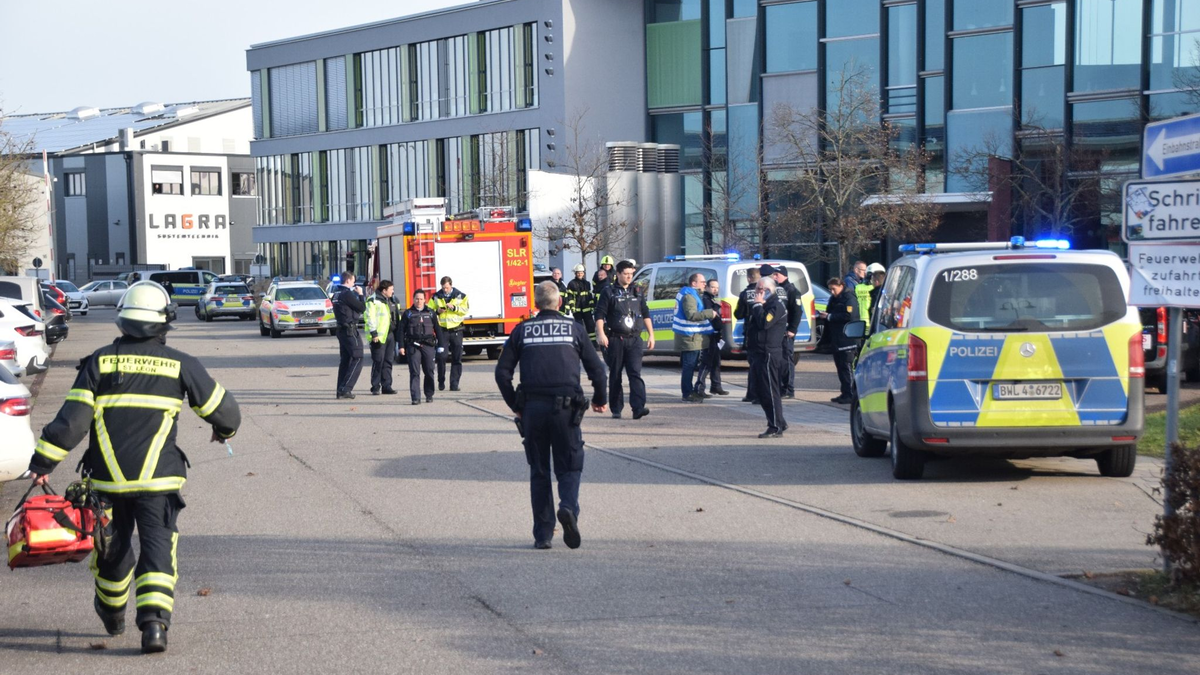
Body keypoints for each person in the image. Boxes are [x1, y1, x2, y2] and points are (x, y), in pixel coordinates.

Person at [26, 281, 240, 654]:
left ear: (123, 319)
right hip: (159, 482)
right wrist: (222, 432)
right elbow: (226, 413)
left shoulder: (99, 361)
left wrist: (43, 462)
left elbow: (72, 422)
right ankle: (155, 626)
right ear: (164, 322)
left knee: (112, 550)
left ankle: (111, 614)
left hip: (107, 483)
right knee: (158, 550)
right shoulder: (180, 364)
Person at [495, 281, 608, 550]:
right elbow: (598, 370)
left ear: (535, 304)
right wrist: (601, 400)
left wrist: (515, 404)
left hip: (533, 409)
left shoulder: (522, 331)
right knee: (569, 466)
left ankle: (543, 535)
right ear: (559, 303)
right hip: (567, 410)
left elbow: (502, 373)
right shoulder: (575, 329)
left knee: (539, 470)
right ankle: (567, 508)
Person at [594, 260, 654, 419]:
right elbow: (599, 314)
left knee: (635, 373)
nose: (629, 277)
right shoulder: (609, 292)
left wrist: (651, 334)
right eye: (626, 274)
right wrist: (601, 334)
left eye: (631, 274)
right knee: (616, 374)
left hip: (634, 339)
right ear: (618, 274)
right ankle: (616, 408)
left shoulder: (638, 291)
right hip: (615, 339)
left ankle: (638, 407)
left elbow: (646, 313)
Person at [748, 277, 789, 438]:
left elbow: (765, 323)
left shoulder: (775, 305)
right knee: (759, 390)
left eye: (760, 289)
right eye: (756, 289)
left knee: (769, 391)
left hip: (769, 353)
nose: (757, 293)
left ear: (769, 290)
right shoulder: (764, 305)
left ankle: (775, 426)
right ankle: (779, 421)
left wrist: (757, 305)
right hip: (758, 352)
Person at [673, 272, 717, 402]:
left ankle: (690, 391)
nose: (705, 284)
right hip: (689, 336)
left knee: (691, 365)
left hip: (691, 335)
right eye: (702, 282)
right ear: (694, 283)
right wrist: (710, 313)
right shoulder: (689, 296)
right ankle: (687, 393)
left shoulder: (691, 294)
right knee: (689, 365)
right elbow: (691, 315)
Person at [399, 289, 441, 405]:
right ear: (413, 299)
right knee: (414, 372)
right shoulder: (408, 313)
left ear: (425, 300)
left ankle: (429, 394)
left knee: (429, 371)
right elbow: (401, 330)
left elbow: (437, 329)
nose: (419, 301)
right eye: (417, 299)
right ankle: (415, 397)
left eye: (421, 299)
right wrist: (401, 346)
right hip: (413, 346)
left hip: (428, 345)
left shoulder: (431, 313)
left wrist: (441, 345)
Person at [768, 265, 804, 399]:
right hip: (778, 331)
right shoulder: (777, 289)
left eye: (777, 274)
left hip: (787, 331)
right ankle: (781, 387)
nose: (775, 277)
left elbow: (797, 311)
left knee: (787, 360)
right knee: (779, 360)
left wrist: (792, 329)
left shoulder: (792, 290)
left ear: (785, 275)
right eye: (774, 275)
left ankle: (789, 389)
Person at [430, 276, 469, 391]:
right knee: (441, 357)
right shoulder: (436, 296)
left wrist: (454, 308)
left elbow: (465, 310)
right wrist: (437, 311)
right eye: (443, 288)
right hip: (442, 331)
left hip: (456, 330)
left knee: (457, 358)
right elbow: (429, 309)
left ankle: (454, 384)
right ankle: (441, 381)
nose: (445, 290)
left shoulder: (461, 296)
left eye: (446, 288)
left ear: (451, 285)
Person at [824, 277, 859, 404]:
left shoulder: (849, 298)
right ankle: (844, 393)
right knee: (840, 367)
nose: (832, 292)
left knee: (846, 367)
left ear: (841, 286)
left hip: (847, 339)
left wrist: (830, 316)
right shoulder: (834, 298)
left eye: (834, 289)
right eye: (830, 289)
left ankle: (850, 394)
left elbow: (849, 315)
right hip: (837, 338)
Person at [332, 270, 366, 399]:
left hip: (341, 329)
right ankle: (346, 388)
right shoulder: (347, 294)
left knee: (345, 360)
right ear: (348, 281)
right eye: (353, 281)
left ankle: (340, 389)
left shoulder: (336, 293)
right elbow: (362, 308)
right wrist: (361, 294)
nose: (354, 283)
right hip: (350, 330)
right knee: (358, 357)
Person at [694, 277, 728, 397]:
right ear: (707, 287)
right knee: (707, 362)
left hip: (715, 334)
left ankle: (716, 386)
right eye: (713, 287)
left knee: (715, 362)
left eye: (717, 287)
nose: (715, 289)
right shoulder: (706, 299)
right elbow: (709, 314)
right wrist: (716, 307)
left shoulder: (712, 299)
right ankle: (699, 388)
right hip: (709, 333)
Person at [733, 267, 761, 404]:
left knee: (753, 365)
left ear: (749, 278)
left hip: (751, 332)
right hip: (766, 332)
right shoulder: (766, 291)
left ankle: (752, 394)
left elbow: (738, 314)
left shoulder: (745, 294)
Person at [365, 280, 398, 396]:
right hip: (378, 336)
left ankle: (387, 386)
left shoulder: (392, 300)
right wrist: (374, 334)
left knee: (388, 361)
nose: (393, 291)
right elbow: (370, 317)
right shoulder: (373, 300)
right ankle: (375, 386)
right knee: (378, 361)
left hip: (390, 335)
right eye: (391, 289)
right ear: (384, 291)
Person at [565, 264, 596, 338]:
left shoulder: (587, 283)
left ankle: (593, 343)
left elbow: (589, 296)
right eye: (578, 273)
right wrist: (572, 307)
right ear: (575, 273)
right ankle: (580, 342)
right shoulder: (571, 284)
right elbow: (570, 296)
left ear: (583, 273)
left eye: (581, 272)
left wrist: (592, 306)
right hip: (577, 309)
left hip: (587, 309)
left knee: (590, 326)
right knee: (579, 327)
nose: (580, 274)